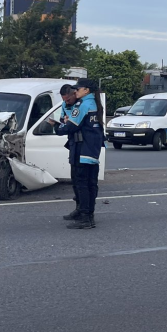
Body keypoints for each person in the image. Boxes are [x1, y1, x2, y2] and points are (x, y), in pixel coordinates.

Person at [60, 78, 104, 230]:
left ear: (86, 90)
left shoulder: (83, 104)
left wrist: (56, 127)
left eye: (78, 89)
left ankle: (86, 217)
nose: (76, 91)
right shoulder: (94, 103)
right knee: (90, 184)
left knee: (82, 184)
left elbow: (70, 127)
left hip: (83, 148)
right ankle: (86, 214)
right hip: (92, 149)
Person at [49, 84, 81, 219]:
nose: (66, 103)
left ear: (74, 93)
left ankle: (84, 212)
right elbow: (63, 122)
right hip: (73, 144)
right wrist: (61, 124)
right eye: (64, 100)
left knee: (82, 181)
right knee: (75, 179)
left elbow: (68, 127)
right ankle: (79, 208)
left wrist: (63, 126)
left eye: (68, 100)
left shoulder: (81, 105)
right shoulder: (65, 105)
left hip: (82, 144)